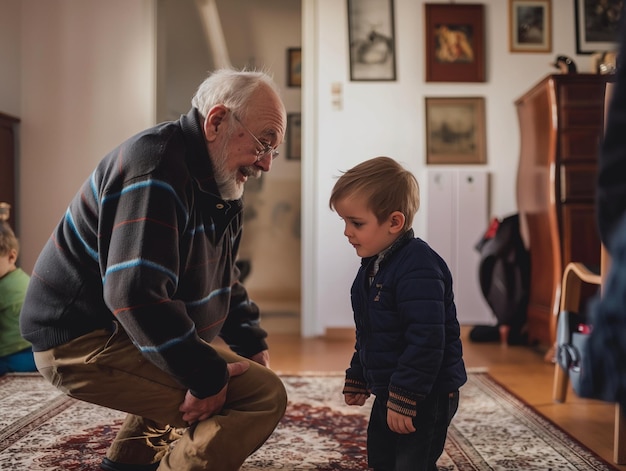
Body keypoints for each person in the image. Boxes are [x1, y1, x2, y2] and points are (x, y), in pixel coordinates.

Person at [19, 68, 288, 471]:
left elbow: (223, 273)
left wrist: (248, 337)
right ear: (216, 121)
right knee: (259, 395)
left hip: (122, 324)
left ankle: (126, 465)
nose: (266, 163)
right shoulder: (158, 167)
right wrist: (206, 376)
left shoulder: (218, 178)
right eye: (263, 143)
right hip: (82, 337)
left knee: (189, 352)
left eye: (273, 149)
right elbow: (133, 295)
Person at [328, 156, 467, 471]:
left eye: (357, 223)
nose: (347, 232)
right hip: (393, 387)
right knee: (381, 456)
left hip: (426, 393)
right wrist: (359, 374)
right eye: (345, 222)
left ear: (394, 222)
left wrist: (406, 397)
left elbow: (427, 339)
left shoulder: (420, 267)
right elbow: (370, 332)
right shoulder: (373, 269)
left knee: (412, 462)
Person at [0, 221, 35, 376]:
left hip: (15, 355)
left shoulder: (5, 287)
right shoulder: (22, 278)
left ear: (11, 256)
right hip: (34, 352)